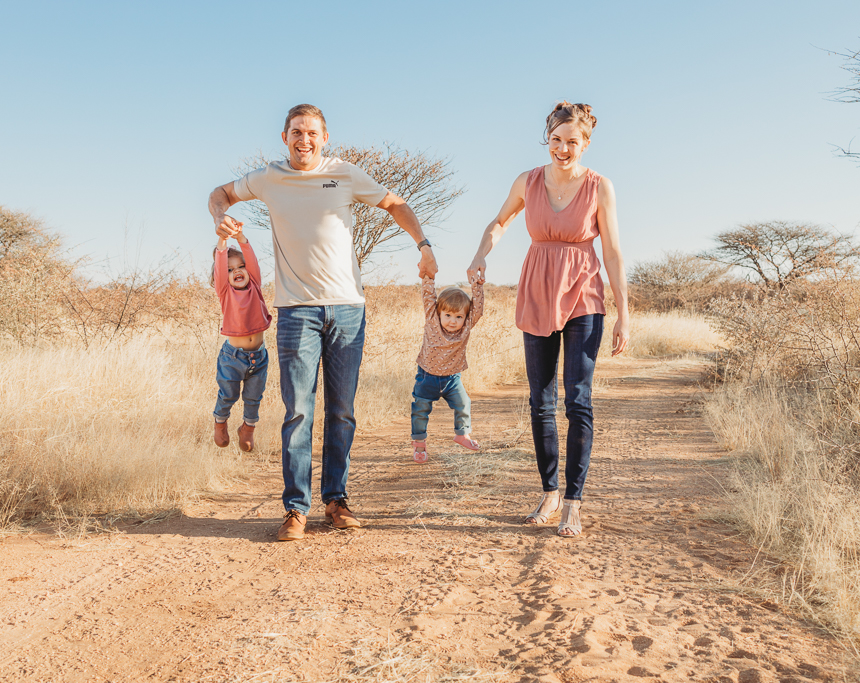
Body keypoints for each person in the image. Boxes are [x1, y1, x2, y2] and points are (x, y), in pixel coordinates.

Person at [208, 104, 438, 542]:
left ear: (325, 137)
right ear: (284, 136)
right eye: (297, 132)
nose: (304, 140)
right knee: (298, 411)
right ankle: (295, 509)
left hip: (348, 309)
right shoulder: (269, 177)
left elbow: (394, 202)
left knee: (342, 410)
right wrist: (221, 219)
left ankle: (336, 501)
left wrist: (423, 244)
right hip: (296, 312)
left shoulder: (345, 173)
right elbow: (219, 193)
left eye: (312, 133)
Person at [467, 101, 629, 538]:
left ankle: (573, 502)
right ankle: (550, 491)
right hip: (537, 292)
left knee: (577, 398)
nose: (562, 148)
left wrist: (623, 313)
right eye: (556, 139)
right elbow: (499, 222)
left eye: (572, 141)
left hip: (584, 297)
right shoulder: (528, 180)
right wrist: (482, 252)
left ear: (586, 143)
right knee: (541, 400)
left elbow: (612, 252)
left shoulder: (600, 187)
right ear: (548, 138)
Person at [410, 274, 485, 463]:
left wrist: (477, 285)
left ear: (465, 317)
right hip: (427, 377)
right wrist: (428, 276)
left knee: (464, 403)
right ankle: (419, 444)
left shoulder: (466, 327)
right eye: (448, 315)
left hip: (452, 380)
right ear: (439, 313)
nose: (453, 321)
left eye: (459, 316)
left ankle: (462, 435)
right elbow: (428, 296)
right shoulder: (432, 321)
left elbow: (478, 309)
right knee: (420, 410)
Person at [210, 228, 272, 452]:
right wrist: (223, 239)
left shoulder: (255, 285)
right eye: (230, 269)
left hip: (259, 357)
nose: (237, 271)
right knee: (229, 394)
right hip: (232, 358)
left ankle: (248, 428)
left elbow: (252, 261)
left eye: (240, 266)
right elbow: (220, 264)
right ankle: (220, 422)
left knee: (253, 398)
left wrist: (241, 238)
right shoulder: (225, 292)